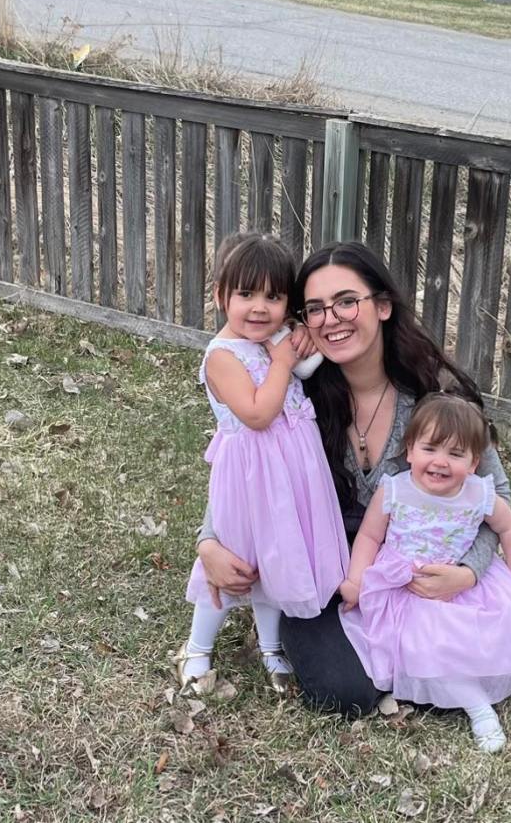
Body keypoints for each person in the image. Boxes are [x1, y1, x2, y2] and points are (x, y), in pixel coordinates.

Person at [195, 241, 511, 715]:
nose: (331, 319)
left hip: (416, 565)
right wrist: (210, 542)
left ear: (382, 306)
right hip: (327, 564)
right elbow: (249, 467)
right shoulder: (295, 390)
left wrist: (468, 570)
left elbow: (496, 494)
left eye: (346, 301)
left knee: (456, 676)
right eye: (315, 308)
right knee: (344, 691)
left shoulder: (435, 398)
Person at [178, 233, 349, 693]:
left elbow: (308, 366)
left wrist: (304, 336)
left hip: (292, 471)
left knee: (279, 555)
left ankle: (271, 645)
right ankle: (198, 646)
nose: (259, 308)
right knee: (237, 560)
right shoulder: (222, 356)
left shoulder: (274, 340)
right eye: (246, 294)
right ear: (221, 296)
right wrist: (282, 361)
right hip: (249, 475)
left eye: (273, 297)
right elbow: (257, 414)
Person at [338, 393, 511, 752]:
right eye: (430, 449)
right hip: (405, 585)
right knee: (421, 642)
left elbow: (509, 528)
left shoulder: (479, 494)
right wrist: (356, 580)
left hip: (460, 582)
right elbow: (370, 536)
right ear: (410, 450)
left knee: (466, 640)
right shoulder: (394, 489)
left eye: (455, 454)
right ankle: (469, 700)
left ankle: (477, 702)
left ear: (474, 463)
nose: (440, 462)